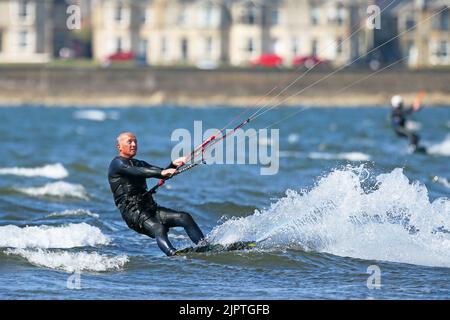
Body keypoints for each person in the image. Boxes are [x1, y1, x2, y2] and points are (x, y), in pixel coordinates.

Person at [108, 132, 205, 256]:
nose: (134, 144)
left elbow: (157, 171)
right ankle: (173, 255)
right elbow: (140, 172)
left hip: (150, 209)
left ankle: (204, 247)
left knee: (184, 217)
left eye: (135, 141)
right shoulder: (117, 164)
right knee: (159, 228)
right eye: (129, 142)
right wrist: (163, 172)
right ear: (119, 147)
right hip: (133, 214)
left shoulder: (139, 163)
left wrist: (173, 164)